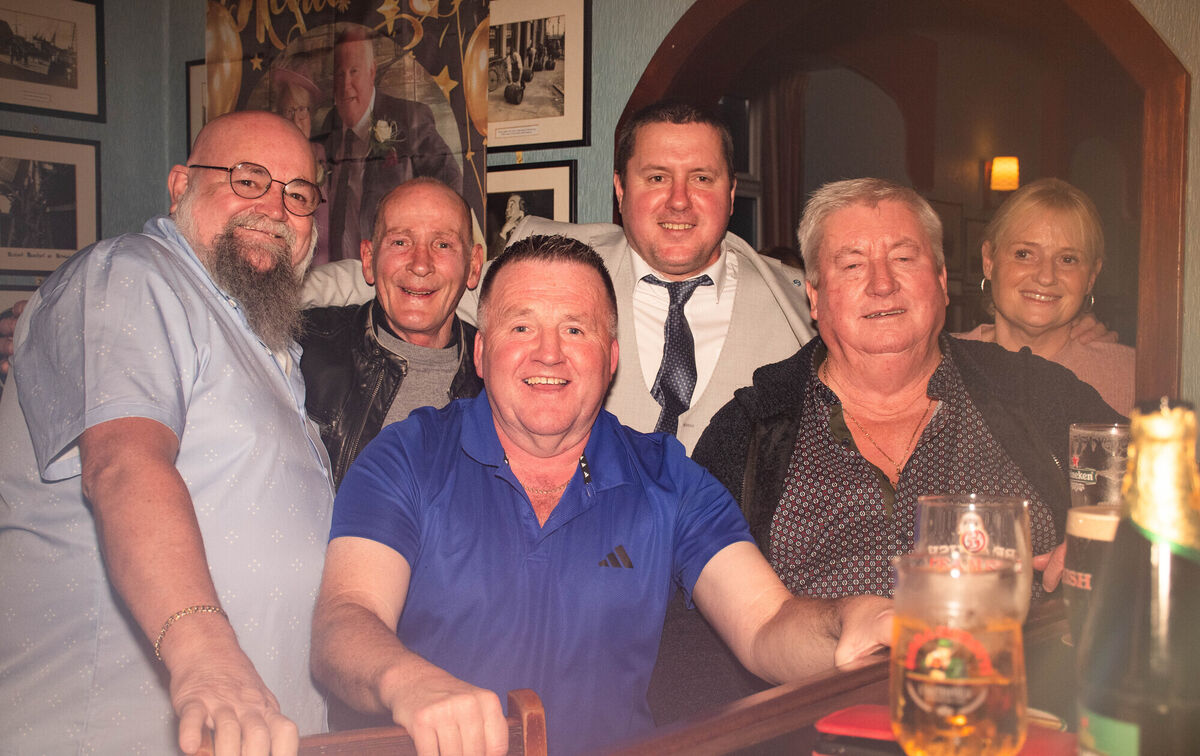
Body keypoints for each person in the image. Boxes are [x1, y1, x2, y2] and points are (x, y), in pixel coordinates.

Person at [309, 235, 892, 755]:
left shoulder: (668, 478)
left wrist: (849, 622)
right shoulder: (406, 457)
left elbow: (768, 625)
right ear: (482, 354)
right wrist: (409, 682)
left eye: (575, 328)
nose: (549, 352)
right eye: (520, 326)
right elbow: (344, 620)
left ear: (609, 359)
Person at [653, 178, 1123, 719]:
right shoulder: (746, 431)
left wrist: (1116, 544)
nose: (882, 285)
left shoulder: (1042, 397)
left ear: (943, 282)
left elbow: (1167, 507)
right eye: (852, 265)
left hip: (1022, 722)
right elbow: (690, 624)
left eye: (904, 258)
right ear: (814, 296)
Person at [0, 111, 334, 755]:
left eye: (297, 194)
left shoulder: (259, 333)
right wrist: (204, 652)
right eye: (247, 179)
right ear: (180, 185)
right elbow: (125, 466)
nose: (275, 207)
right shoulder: (132, 277)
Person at [300, 100, 815, 453]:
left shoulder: (798, 303)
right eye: (656, 177)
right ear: (620, 189)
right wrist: (282, 297)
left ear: (729, 193)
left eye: (701, 178)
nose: (678, 200)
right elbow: (426, 277)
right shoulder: (548, 261)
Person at [300, 177, 484, 488]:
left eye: (442, 244)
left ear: (473, 266)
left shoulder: (502, 377)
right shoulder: (299, 348)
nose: (421, 265)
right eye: (400, 242)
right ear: (369, 261)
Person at [957, 178, 1135, 415]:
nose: (1046, 277)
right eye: (1024, 254)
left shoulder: (1132, 376)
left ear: (1091, 276)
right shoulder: (939, 364)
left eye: (1068, 259)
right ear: (989, 260)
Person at [319, 25, 462, 263]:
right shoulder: (328, 125)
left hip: (394, 271)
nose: (345, 84)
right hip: (338, 277)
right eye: (339, 73)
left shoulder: (410, 118)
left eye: (354, 71)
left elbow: (450, 182)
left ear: (372, 71)